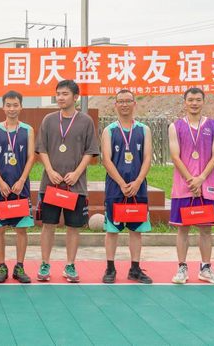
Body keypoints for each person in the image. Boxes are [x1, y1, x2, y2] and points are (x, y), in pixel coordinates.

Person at [35, 79, 99, 283]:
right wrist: (50, 170)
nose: (60, 98)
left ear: (76, 97)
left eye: (65, 94)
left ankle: (70, 265)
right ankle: (45, 264)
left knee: (73, 227)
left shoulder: (86, 121)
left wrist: (77, 173)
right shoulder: (48, 120)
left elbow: (91, 151)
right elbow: (42, 148)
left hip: (75, 186)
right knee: (48, 225)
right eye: (58, 94)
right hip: (51, 184)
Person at [168, 87, 214, 285]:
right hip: (183, 186)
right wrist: (191, 180)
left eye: (198, 99)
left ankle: (206, 268)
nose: (194, 103)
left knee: (206, 229)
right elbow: (175, 156)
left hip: (206, 185)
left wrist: (201, 178)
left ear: (203, 102)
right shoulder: (175, 126)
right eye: (190, 99)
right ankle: (182, 267)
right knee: (182, 229)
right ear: (185, 102)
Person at [101, 89, 153, 284]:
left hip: (138, 186)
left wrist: (138, 181)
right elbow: (106, 160)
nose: (124, 104)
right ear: (115, 105)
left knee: (136, 230)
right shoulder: (109, 130)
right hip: (115, 187)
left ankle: (135, 269)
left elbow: (147, 158)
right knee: (112, 230)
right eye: (120, 101)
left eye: (128, 101)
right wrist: (122, 183)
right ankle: (110, 268)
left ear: (134, 103)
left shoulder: (144, 130)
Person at [0, 91, 35, 283]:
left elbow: (31, 157)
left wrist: (22, 180)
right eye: (8, 105)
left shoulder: (28, 130)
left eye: (15, 105)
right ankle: (1, 266)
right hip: (0, 187)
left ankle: (19, 266)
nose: (12, 108)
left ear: (21, 106)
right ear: (3, 107)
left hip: (20, 187)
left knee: (21, 229)